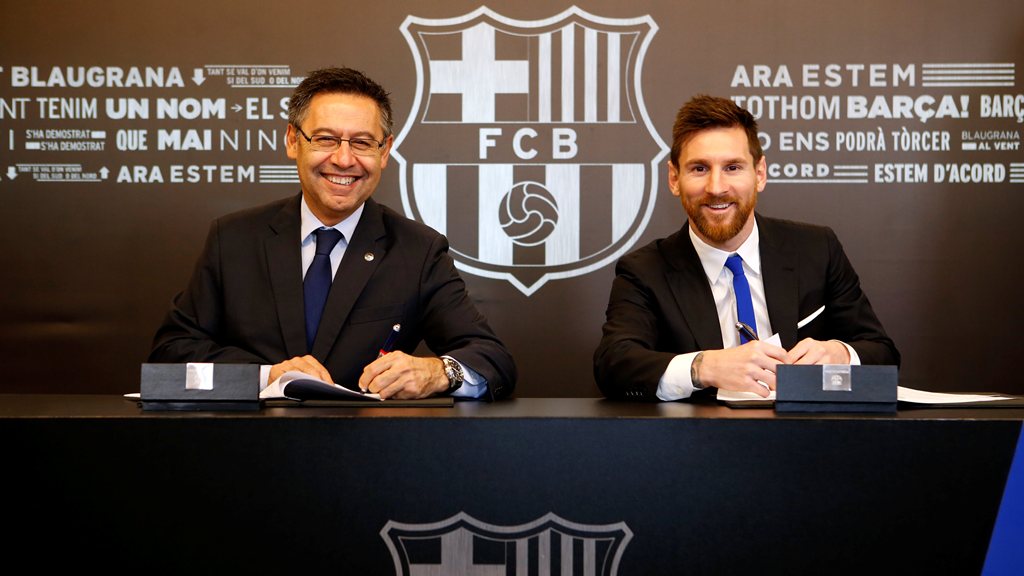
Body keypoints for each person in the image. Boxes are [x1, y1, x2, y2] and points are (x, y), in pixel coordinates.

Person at [150, 67, 515, 400]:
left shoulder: (418, 251)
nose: (343, 159)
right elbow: (171, 355)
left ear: (384, 152)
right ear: (293, 141)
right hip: (249, 453)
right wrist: (267, 376)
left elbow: (492, 358)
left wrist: (439, 372)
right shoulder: (232, 239)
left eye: (361, 142)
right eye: (325, 139)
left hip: (365, 457)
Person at [594, 95, 898, 401]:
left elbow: (882, 353)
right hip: (698, 442)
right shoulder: (644, 270)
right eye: (699, 168)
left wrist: (840, 355)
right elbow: (614, 364)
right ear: (674, 178)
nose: (716, 187)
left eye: (733, 167)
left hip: (808, 439)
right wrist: (704, 366)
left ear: (760, 174)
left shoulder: (817, 249)